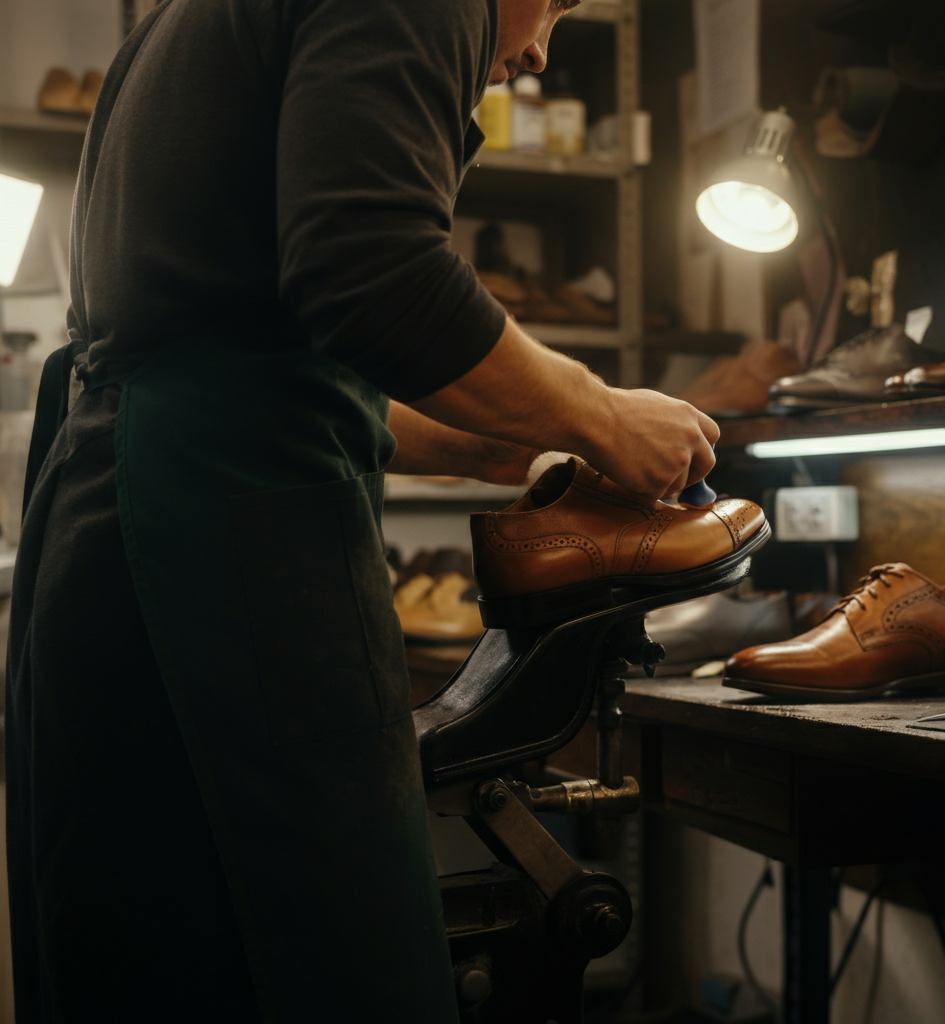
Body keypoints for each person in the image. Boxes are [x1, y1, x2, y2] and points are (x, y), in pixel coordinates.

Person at [6, 0, 719, 1020]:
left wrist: (514, 437)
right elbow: (371, 269)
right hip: (214, 541)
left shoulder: (178, 21)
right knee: (312, 953)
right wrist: (604, 413)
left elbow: (277, 353)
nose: (533, 51)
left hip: (127, 514)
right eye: (554, 4)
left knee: (154, 941)